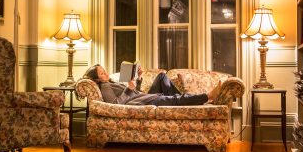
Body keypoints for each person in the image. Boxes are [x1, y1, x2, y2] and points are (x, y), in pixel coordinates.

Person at [83, 64, 221, 106]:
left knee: (161, 76)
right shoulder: (105, 87)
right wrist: (129, 89)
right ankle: (207, 96)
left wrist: (138, 78)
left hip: (140, 96)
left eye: (104, 71)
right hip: (139, 102)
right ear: (97, 79)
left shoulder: (110, 82)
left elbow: (133, 92)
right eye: (101, 74)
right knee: (173, 99)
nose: (106, 74)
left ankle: (181, 100)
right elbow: (116, 104)